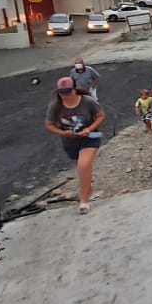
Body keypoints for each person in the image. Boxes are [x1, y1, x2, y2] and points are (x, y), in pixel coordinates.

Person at [45, 77, 105, 214]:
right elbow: (49, 125)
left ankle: (83, 201)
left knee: (84, 165)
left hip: (90, 138)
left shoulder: (87, 101)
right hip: (70, 141)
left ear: (74, 89)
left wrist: (89, 129)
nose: (65, 95)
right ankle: (89, 191)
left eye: (67, 92)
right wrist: (62, 133)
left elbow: (101, 116)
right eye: (62, 92)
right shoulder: (55, 105)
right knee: (82, 169)